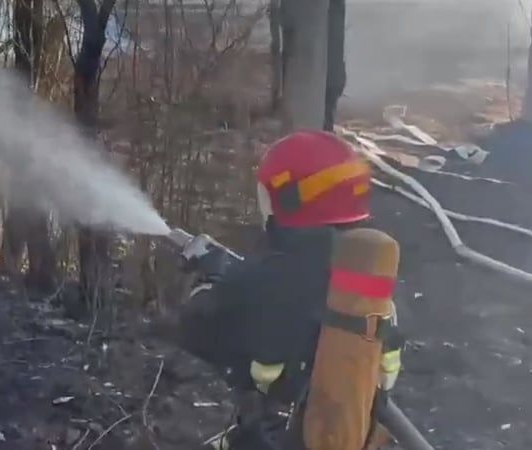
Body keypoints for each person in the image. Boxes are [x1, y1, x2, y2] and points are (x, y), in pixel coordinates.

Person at [165, 130, 403, 450]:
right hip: (359, 436)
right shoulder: (371, 278)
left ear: (288, 200)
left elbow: (194, 328)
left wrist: (216, 278)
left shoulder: (261, 281)